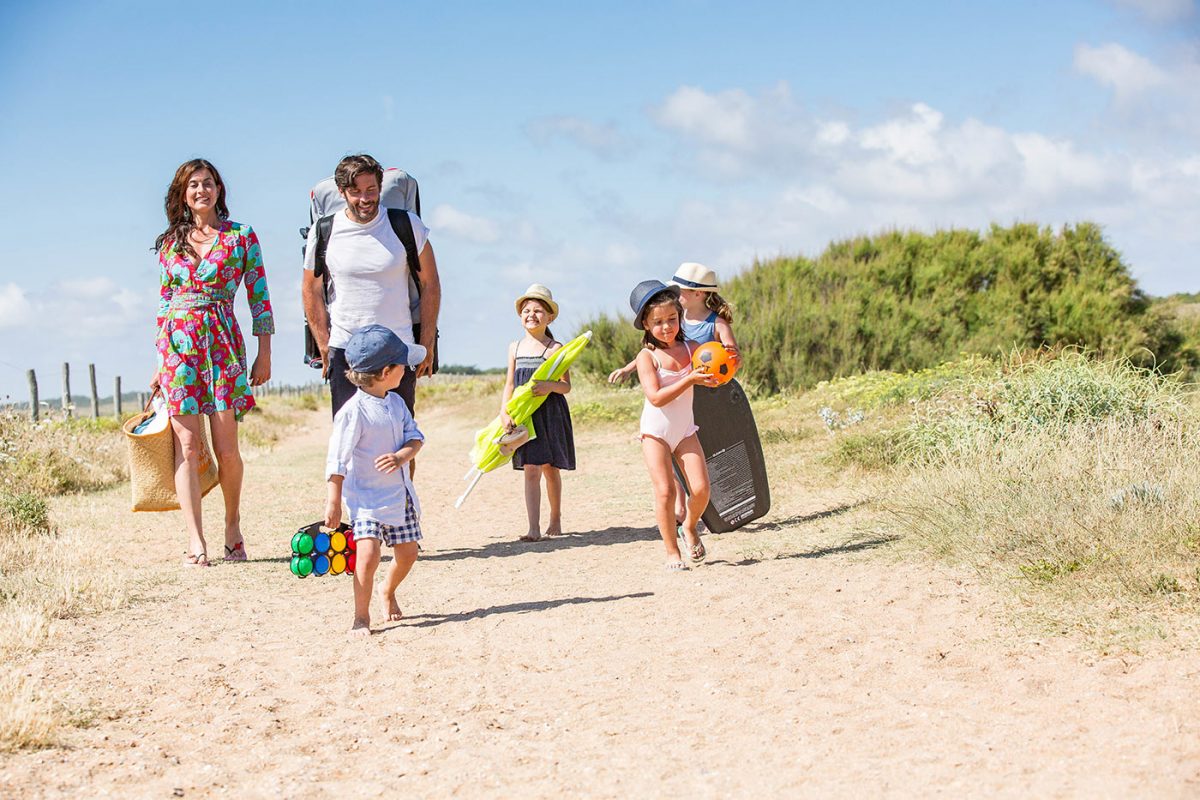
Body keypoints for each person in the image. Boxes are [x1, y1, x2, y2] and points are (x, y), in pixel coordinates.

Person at [154, 158, 273, 567]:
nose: (200, 190)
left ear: (219, 189)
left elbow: (259, 296)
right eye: (193, 185)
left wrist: (264, 353)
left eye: (207, 183)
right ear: (183, 195)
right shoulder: (170, 243)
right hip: (177, 350)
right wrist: (159, 362)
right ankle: (195, 540)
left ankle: (233, 525)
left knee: (227, 449)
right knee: (186, 446)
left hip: (222, 344)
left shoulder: (241, 236)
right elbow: (165, 302)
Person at [301, 154, 441, 420]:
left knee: (401, 437)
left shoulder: (406, 225)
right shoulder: (324, 231)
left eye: (371, 190)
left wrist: (427, 343)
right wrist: (324, 345)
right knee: (351, 437)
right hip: (345, 348)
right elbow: (311, 289)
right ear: (342, 192)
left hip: (398, 347)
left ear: (379, 187)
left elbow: (430, 284)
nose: (365, 199)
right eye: (355, 192)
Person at [609, 262, 740, 527]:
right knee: (668, 469)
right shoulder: (676, 325)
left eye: (680, 290)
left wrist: (726, 366)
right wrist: (628, 367)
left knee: (701, 457)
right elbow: (654, 353)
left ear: (698, 293)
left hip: (702, 393)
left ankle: (706, 508)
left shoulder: (711, 324)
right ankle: (680, 509)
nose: (668, 325)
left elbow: (729, 354)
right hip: (677, 397)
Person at [324, 324, 427, 635]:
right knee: (367, 557)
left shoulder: (396, 404)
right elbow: (337, 459)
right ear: (386, 371)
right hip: (366, 500)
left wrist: (401, 457)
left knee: (408, 554)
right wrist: (333, 501)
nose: (407, 371)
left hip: (398, 495)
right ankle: (361, 617)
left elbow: (416, 438)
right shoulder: (353, 412)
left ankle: (388, 589)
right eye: (403, 366)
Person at [628, 280, 717, 570]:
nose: (667, 327)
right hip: (655, 432)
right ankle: (672, 553)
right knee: (665, 491)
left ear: (679, 317)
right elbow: (655, 397)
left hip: (685, 430)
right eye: (658, 322)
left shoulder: (692, 347)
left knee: (702, 490)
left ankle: (689, 527)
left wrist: (726, 366)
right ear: (645, 325)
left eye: (672, 319)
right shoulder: (647, 357)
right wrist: (689, 379)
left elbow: (716, 365)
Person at [499, 284, 575, 541]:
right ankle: (533, 528)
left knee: (550, 468)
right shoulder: (514, 347)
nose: (532, 315)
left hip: (550, 413)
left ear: (550, 317)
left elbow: (566, 386)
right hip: (524, 415)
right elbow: (509, 383)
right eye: (527, 310)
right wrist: (504, 412)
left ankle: (555, 518)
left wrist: (548, 387)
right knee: (531, 468)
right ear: (520, 315)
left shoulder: (556, 348)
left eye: (538, 310)